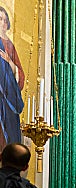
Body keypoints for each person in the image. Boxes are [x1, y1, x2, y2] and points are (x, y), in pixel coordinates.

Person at [0, 6, 25, 152]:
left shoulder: (10, 45)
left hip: (9, 100)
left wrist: (9, 61)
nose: (2, 23)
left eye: (5, 20)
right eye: (0, 19)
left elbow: (20, 75)